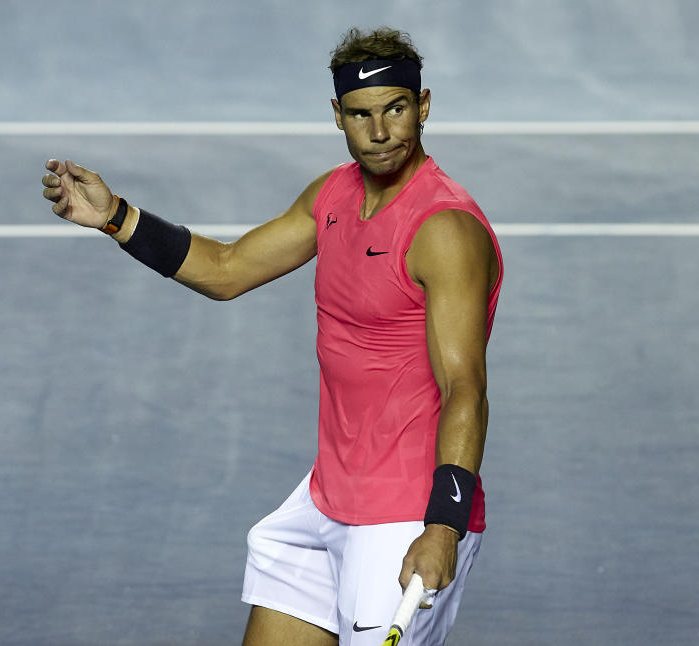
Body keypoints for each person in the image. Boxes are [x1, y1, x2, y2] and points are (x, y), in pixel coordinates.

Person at [41, 26, 503, 646]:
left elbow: (464, 388)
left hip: (405, 516)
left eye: (396, 108)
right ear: (337, 115)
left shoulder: (443, 230)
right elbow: (227, 271)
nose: (382, 131)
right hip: (327, 500)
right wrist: (117, 218)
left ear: (422, 105)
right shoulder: (331, 196)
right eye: (362, 114)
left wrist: (443, 526)